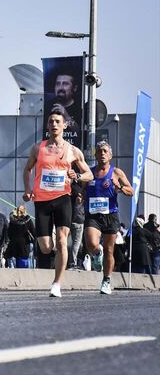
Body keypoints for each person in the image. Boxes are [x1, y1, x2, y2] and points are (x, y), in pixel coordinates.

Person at [23, 107, 93, 297]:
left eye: (57, 122)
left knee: (63, 242)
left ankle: (57, 284)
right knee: (46, 248)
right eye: (51, 121)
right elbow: (27, 170)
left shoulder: (73, 151)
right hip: (42, 202)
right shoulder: (39, 148)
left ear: (64, 125)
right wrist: (28, 190)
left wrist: (76, 175)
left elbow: (89, 174)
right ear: (47, 126)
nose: (54, 124)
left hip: (63, 199)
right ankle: (54, 246)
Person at [82, 141, 134, 294]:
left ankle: (106, 280)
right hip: (93, 215)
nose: (102, 153)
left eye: (105, 151)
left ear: (110, 155)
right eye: (99, 151)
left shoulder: (116, 172)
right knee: (91, 243)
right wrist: (80, 197)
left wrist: (120, 187)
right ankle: (97, 253)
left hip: (110, 215)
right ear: (95, 155)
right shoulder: (90, 172)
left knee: (109, 250)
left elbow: (131, 191)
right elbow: (83, 191)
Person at [45, 71, 81, 146]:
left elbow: (79, 132)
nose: (61, 87)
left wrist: (66, 116)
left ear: (74, 88)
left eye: (65, 84)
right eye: (58, 84)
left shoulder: (80, 108)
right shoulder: (46, 106)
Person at [68, 181, 85, 269]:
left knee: (65, 243)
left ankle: (64, 262)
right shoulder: (79, 194)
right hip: (78, 220)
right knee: (76, 244)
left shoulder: (69, 192)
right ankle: (72, 263)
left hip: (69, 220)